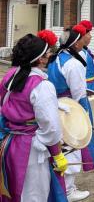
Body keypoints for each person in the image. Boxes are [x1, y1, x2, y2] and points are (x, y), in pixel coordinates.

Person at [0, 30, 68, 202]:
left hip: (9, 144)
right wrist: (57, 154)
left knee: (14, 189)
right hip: (30, 150)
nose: (50, 54)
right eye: (48, 52)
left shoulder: (10, 75)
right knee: (34, 194)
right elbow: (51, 127)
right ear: (40, 59)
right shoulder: (42, 86)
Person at [47, 25, 94, 202]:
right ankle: (68, 190)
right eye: (82, 38)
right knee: (72, 147)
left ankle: (64, 188)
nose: (85, 40)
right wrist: (84, 115)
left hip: (56, 106)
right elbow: (79, 93)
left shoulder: (56, 58)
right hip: (70, 109)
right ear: (75, 43)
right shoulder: (73, 63)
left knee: (63, 147)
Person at [78, 20, 94, 92]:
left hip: (91, 85)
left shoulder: (85, 51)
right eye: (89, 34)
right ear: (83, 36)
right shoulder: (80, 53)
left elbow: (89, 63)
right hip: (86, 87)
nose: (91, 36)